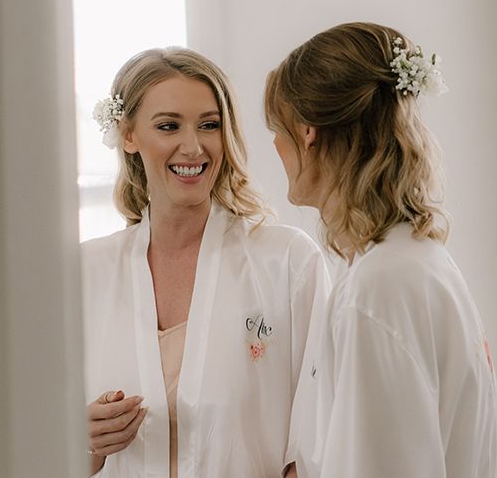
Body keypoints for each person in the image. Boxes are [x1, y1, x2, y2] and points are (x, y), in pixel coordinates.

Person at [82, 47, 329, 478]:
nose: (193, 147)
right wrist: (84, 443)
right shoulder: (85, 273)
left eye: (210, 125)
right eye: (168, 126)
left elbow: (317, 436)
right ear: (128, 135)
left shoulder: (287, 262)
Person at [264, 22, 497, 477]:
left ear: (307, 132)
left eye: (276, 128)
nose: (274, 145)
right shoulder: (418, 260)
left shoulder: (378, 288)